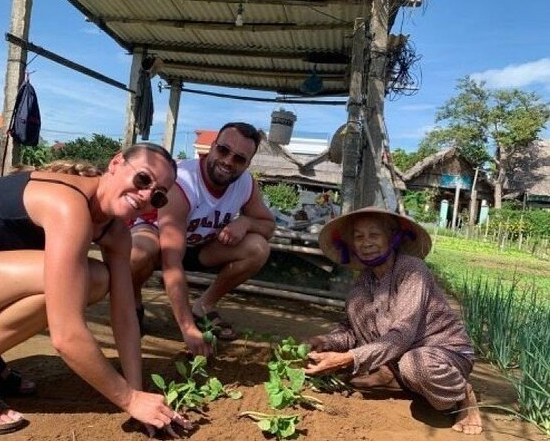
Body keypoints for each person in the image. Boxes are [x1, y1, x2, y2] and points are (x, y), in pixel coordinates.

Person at [0, 143, 190, 436]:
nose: (146, 195)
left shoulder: (117, 233)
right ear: (116, 163)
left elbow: (124, 315)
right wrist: (128, 400)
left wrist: (136, 389)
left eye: (158, 196)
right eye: (143, 178)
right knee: (76, 282)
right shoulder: (68, 205)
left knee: (94, 278)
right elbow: (66, 335)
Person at [305, 207, 482, 435]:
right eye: (359, 237)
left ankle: (463, 393)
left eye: (374, 235)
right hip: (398, 357)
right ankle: (398, 378)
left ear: (392, 238)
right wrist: (326, 341)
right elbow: (351, 331)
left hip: (443, 353)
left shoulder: (412, 271)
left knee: (414, 365)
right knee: (349, 377)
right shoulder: (362, 284)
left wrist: (348, 357)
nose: (366, 243)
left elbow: (402, 334)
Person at [130, 122, 275, 356]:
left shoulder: (246, 184)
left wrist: (245, 222)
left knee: (258, 248)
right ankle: (133, 303)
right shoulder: (184, 181)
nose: (228, 161)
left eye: (239, 158)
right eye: (223, 150)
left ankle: (204, 306)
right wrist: (186, 328)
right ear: (212, 146)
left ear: (248, 164)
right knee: (139, 251)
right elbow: (171, 260)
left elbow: (268, 225)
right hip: (157, 241)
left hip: (199, 246)